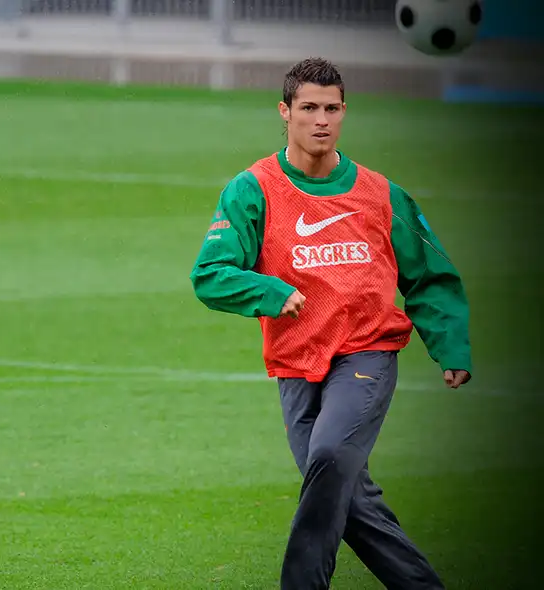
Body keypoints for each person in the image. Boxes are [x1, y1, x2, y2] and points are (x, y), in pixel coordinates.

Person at [189, 56, 472, 589]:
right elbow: (210, 273)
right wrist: (271, 291)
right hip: (296, 363)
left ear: (345, 112)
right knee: (346, 494)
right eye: (309, 108)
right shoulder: (253, 189)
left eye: (332, 108)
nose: (322, 119)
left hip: (366, 354)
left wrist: (450, 345)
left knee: (327, 456)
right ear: (285, 112)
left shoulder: (379, 193)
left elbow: (430, 274)